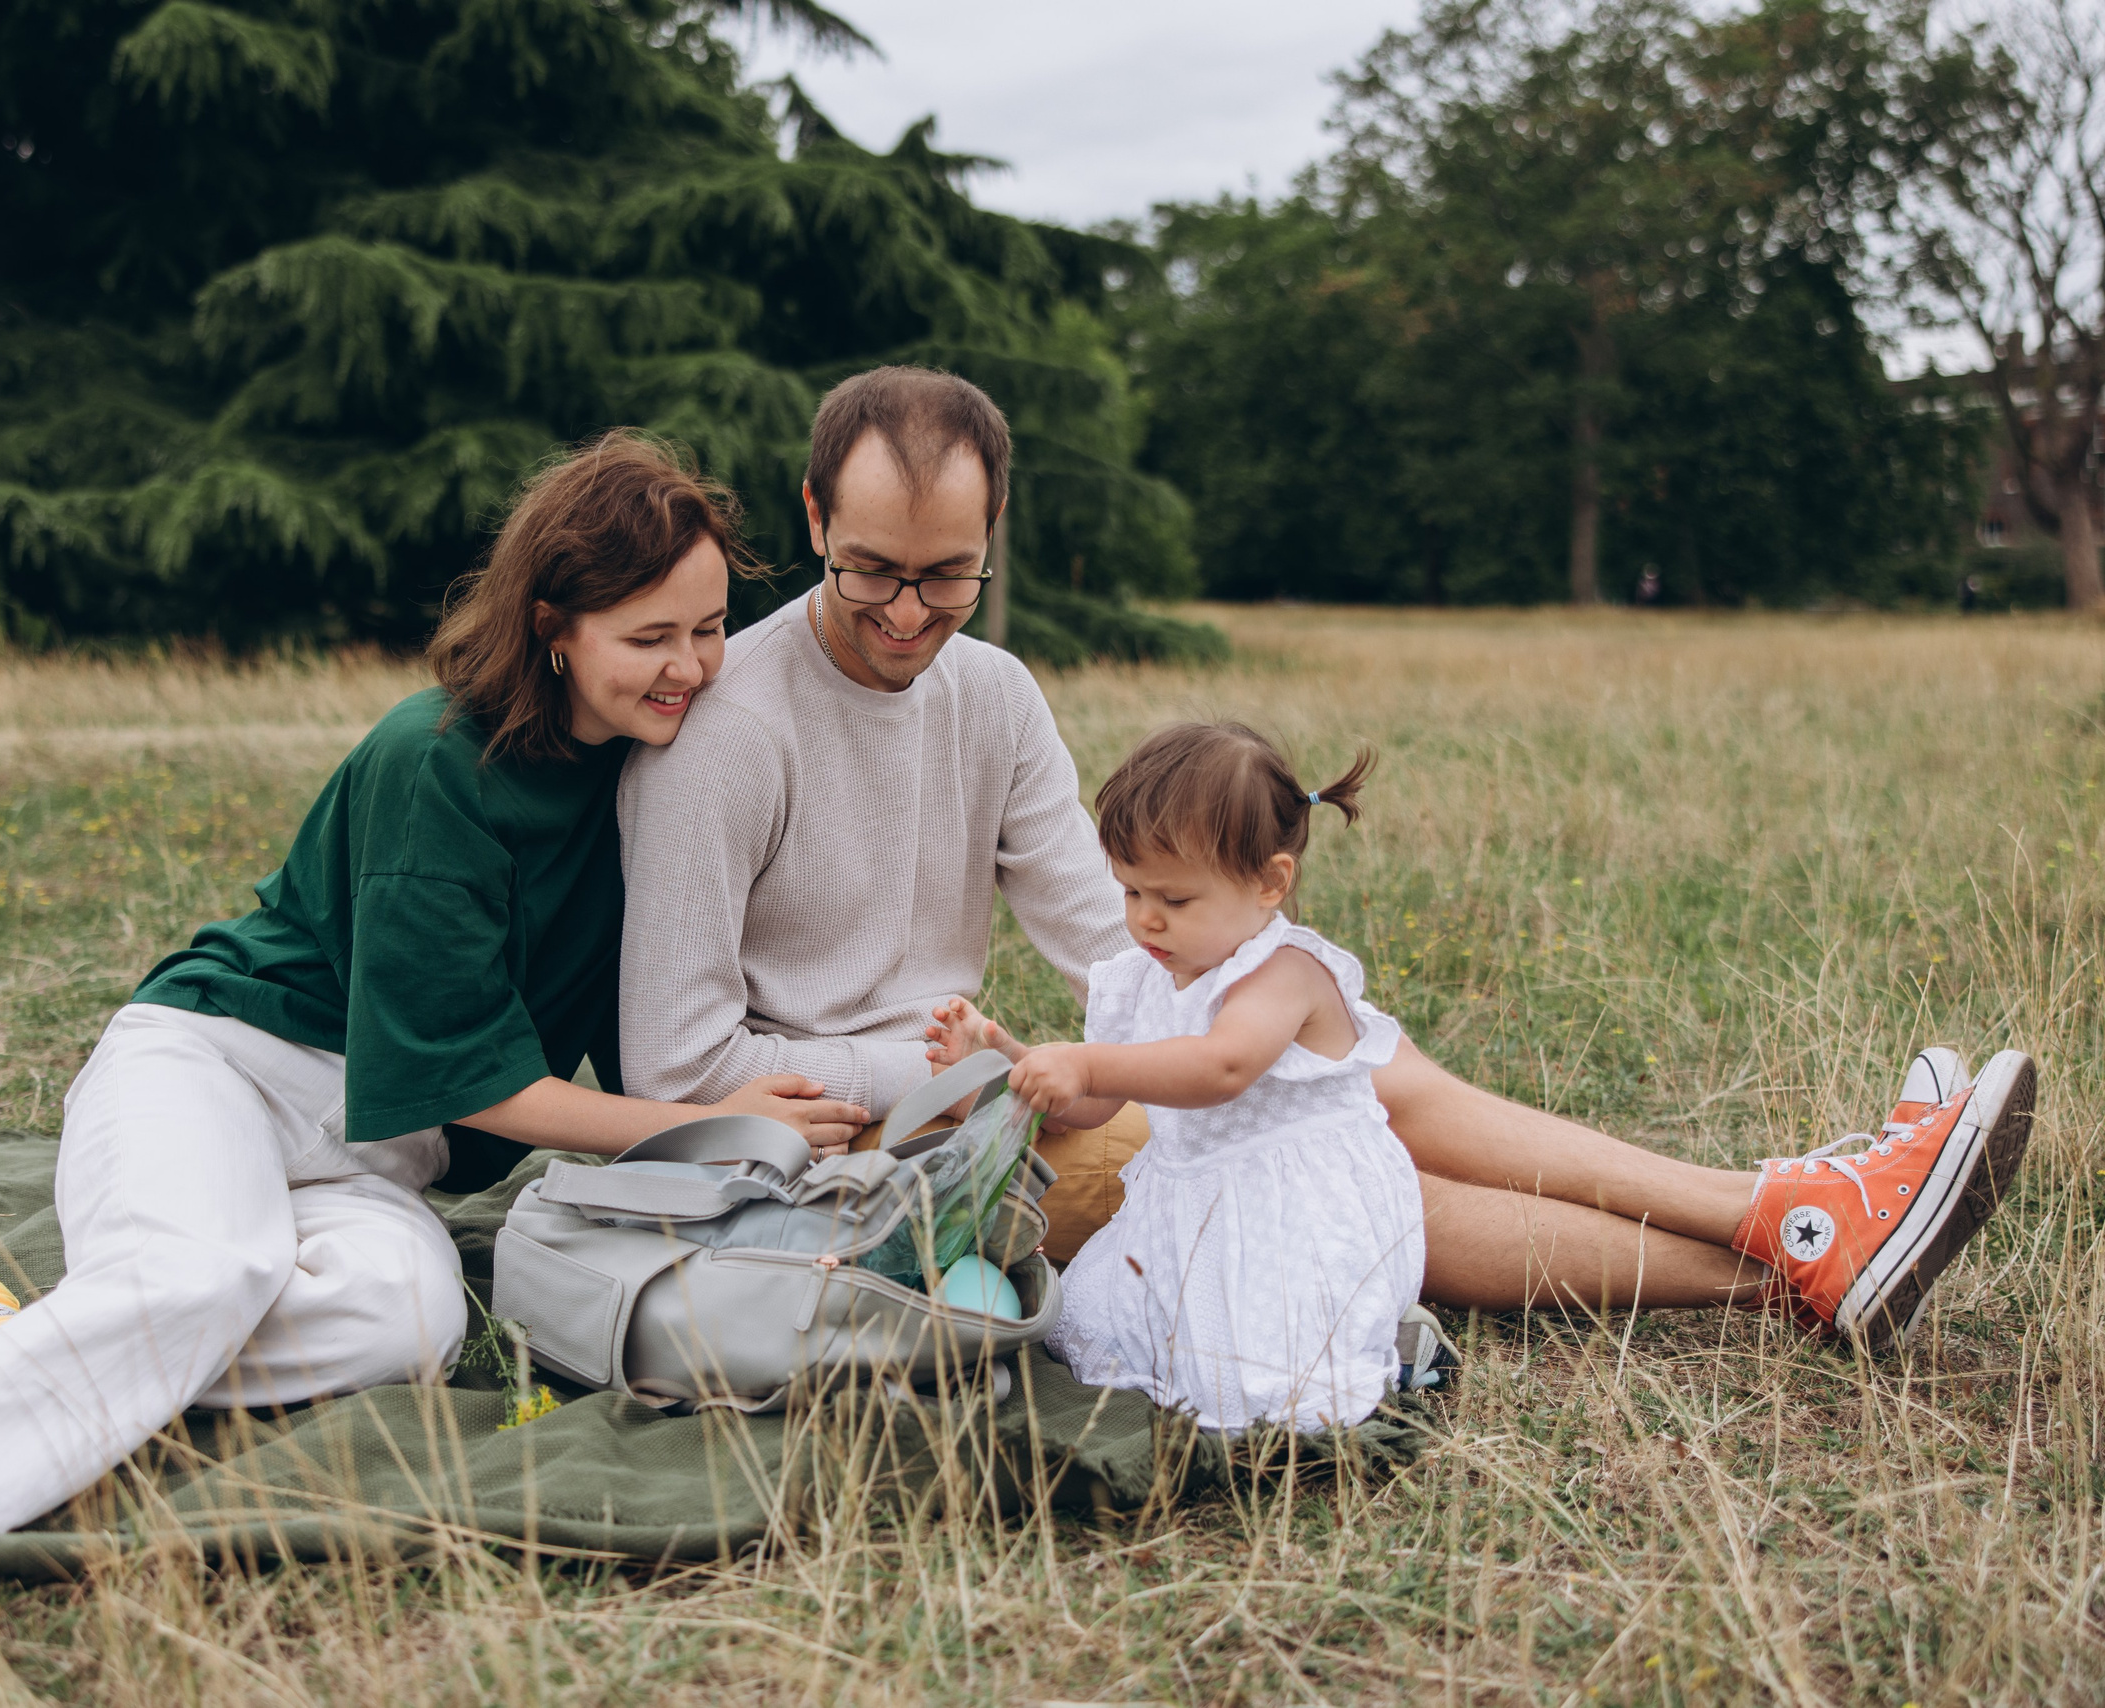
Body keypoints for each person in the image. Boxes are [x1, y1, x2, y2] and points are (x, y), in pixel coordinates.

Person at [0, 433, 867, 1708]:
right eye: (651, 637)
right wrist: (698, 1121)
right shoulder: (433, 762)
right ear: (548, 626)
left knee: (410, 1322)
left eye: (708, 628)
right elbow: (475, 1087)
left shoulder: (653, 777)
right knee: (201, 1275)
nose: (693, 666)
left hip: (372, 1155)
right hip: (220, 1066)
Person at [616, 364, 2038, 1343]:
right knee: (1316, 1170)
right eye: (871, 569)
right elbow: (674, 1064)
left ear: (994, 534)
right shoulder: (727, 724)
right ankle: (1794, 1253)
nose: (912, 614)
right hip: (855, 1158)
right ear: (811, 522)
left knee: (1336, 1070)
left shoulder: (991, 693)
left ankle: (1793, 1211)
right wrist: (951, 1068)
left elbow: (1117, 939)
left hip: (991, 1096)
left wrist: (1277, 1011)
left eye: (949, 574)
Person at [927, 723, 1418, 1429]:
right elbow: (1095, 1106)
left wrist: (1085, 1059)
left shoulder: (1285, 975)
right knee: (1100, 1324)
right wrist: (1008, 1058)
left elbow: (1222, 1067)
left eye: (1175, 901)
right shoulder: (1141, 980)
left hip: (1292, 1209)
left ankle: (1375, 1347)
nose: (1146, 921)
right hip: (1188, 1202)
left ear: (1269, 883)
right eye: (1130, 893)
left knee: (1263, 1381)